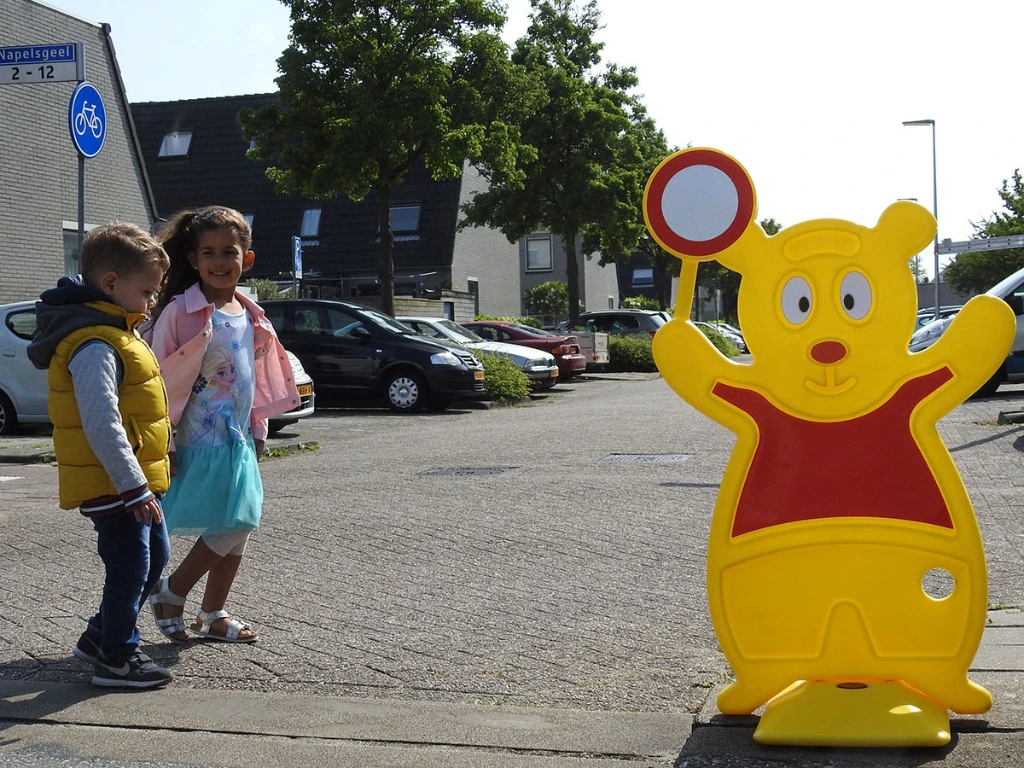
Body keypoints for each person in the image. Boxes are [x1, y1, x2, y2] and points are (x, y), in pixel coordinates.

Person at [27, 223, 173, 689]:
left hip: (128, 480)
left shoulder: (115, 333)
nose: (151, 302)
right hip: (113, 483)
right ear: (111, 283)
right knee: (131, 565)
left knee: (153, 557)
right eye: (147, 291)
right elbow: (101, 422)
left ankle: (98, 636)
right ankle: (116, 658)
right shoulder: (94, 344)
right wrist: (133, 487)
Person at [145, 206, 299, 644]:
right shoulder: (180, 312)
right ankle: (172, 593)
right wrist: (165, 440)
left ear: (246, 259)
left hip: (238, 440)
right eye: (208, 252)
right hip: (196, 439)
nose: (219, 261)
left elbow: (251, 378)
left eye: (229, 252)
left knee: (238, 523)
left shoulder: (250, 313)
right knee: (238, 520)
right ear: (192, 260)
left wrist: (259, 428)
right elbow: (157, 378)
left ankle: (212, 613)